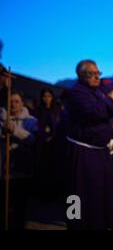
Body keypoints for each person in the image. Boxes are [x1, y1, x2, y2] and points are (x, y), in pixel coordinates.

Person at [64, 59, 113, 230]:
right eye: (92, 74)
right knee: (78, 194)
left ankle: (100, 225)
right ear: (81, 75)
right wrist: (110, 97)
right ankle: (76, 224)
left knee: (101, 194)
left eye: (98, 73)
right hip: (82, 151)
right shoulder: (76, 94)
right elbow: (96, 112)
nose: (97, 77)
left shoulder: (99, 88)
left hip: (100, 151)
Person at [0, 91, 38, 230]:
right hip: (4, 168)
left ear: (22, 103)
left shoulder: (31, 121)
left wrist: (15, 130)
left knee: (19, 207)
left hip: (22, 170)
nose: (13, 104)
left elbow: (33, 140)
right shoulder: (2, 118)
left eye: (16, 101)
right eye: (11, 101)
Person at [34, 88, 62, 201]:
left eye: (49, 96)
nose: (46, 99)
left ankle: (53, 194)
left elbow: (58, 126)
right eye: (44, 96)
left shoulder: (56, 111)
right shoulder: (38, 111)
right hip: (41, 144)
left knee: (53, 169)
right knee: (42, 168)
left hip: (54, 144)